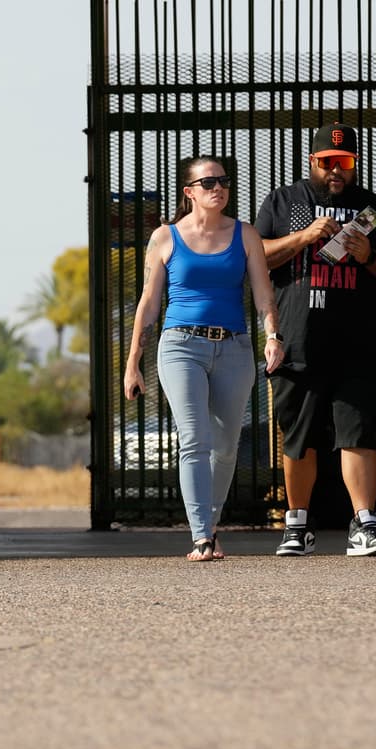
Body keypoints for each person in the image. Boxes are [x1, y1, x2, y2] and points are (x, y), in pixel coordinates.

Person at [255, 122, 376, 557]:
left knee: (358, 435)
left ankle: (364, 525)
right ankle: (297, 526)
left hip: (358, 345)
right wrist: (304, 237)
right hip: (299, 342)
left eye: (344, 163)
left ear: (355, 164)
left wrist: (369, 256)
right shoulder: (284, 202)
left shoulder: (373, 208)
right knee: (298, 437)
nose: (336, 172)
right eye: (327, 163)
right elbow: (256, 257)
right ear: (313, 161)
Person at [124, 157, 285, 561]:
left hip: (233, 346)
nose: (218, 188)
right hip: (180, 346)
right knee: (195, 439)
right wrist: (133, 362)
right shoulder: (165, 237)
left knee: (227, 445)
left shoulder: (245, 234)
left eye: (224, 181)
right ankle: (201, 536)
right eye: (208, 182)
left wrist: (272, 335)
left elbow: (264, 292)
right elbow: (148, 303)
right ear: (189, 191)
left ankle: (209, 525)